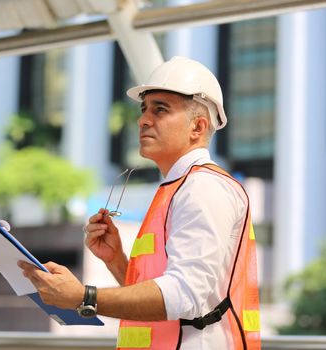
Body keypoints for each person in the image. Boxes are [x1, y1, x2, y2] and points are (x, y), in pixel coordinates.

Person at [19, 56, 260, 349]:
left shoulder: (202, 187)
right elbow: (164, 296)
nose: (143, 119)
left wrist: (84, 297)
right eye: (144, 109)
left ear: (197, 127)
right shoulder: (179, 187)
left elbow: (185, 295)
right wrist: (116, 260)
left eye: (161, 110)